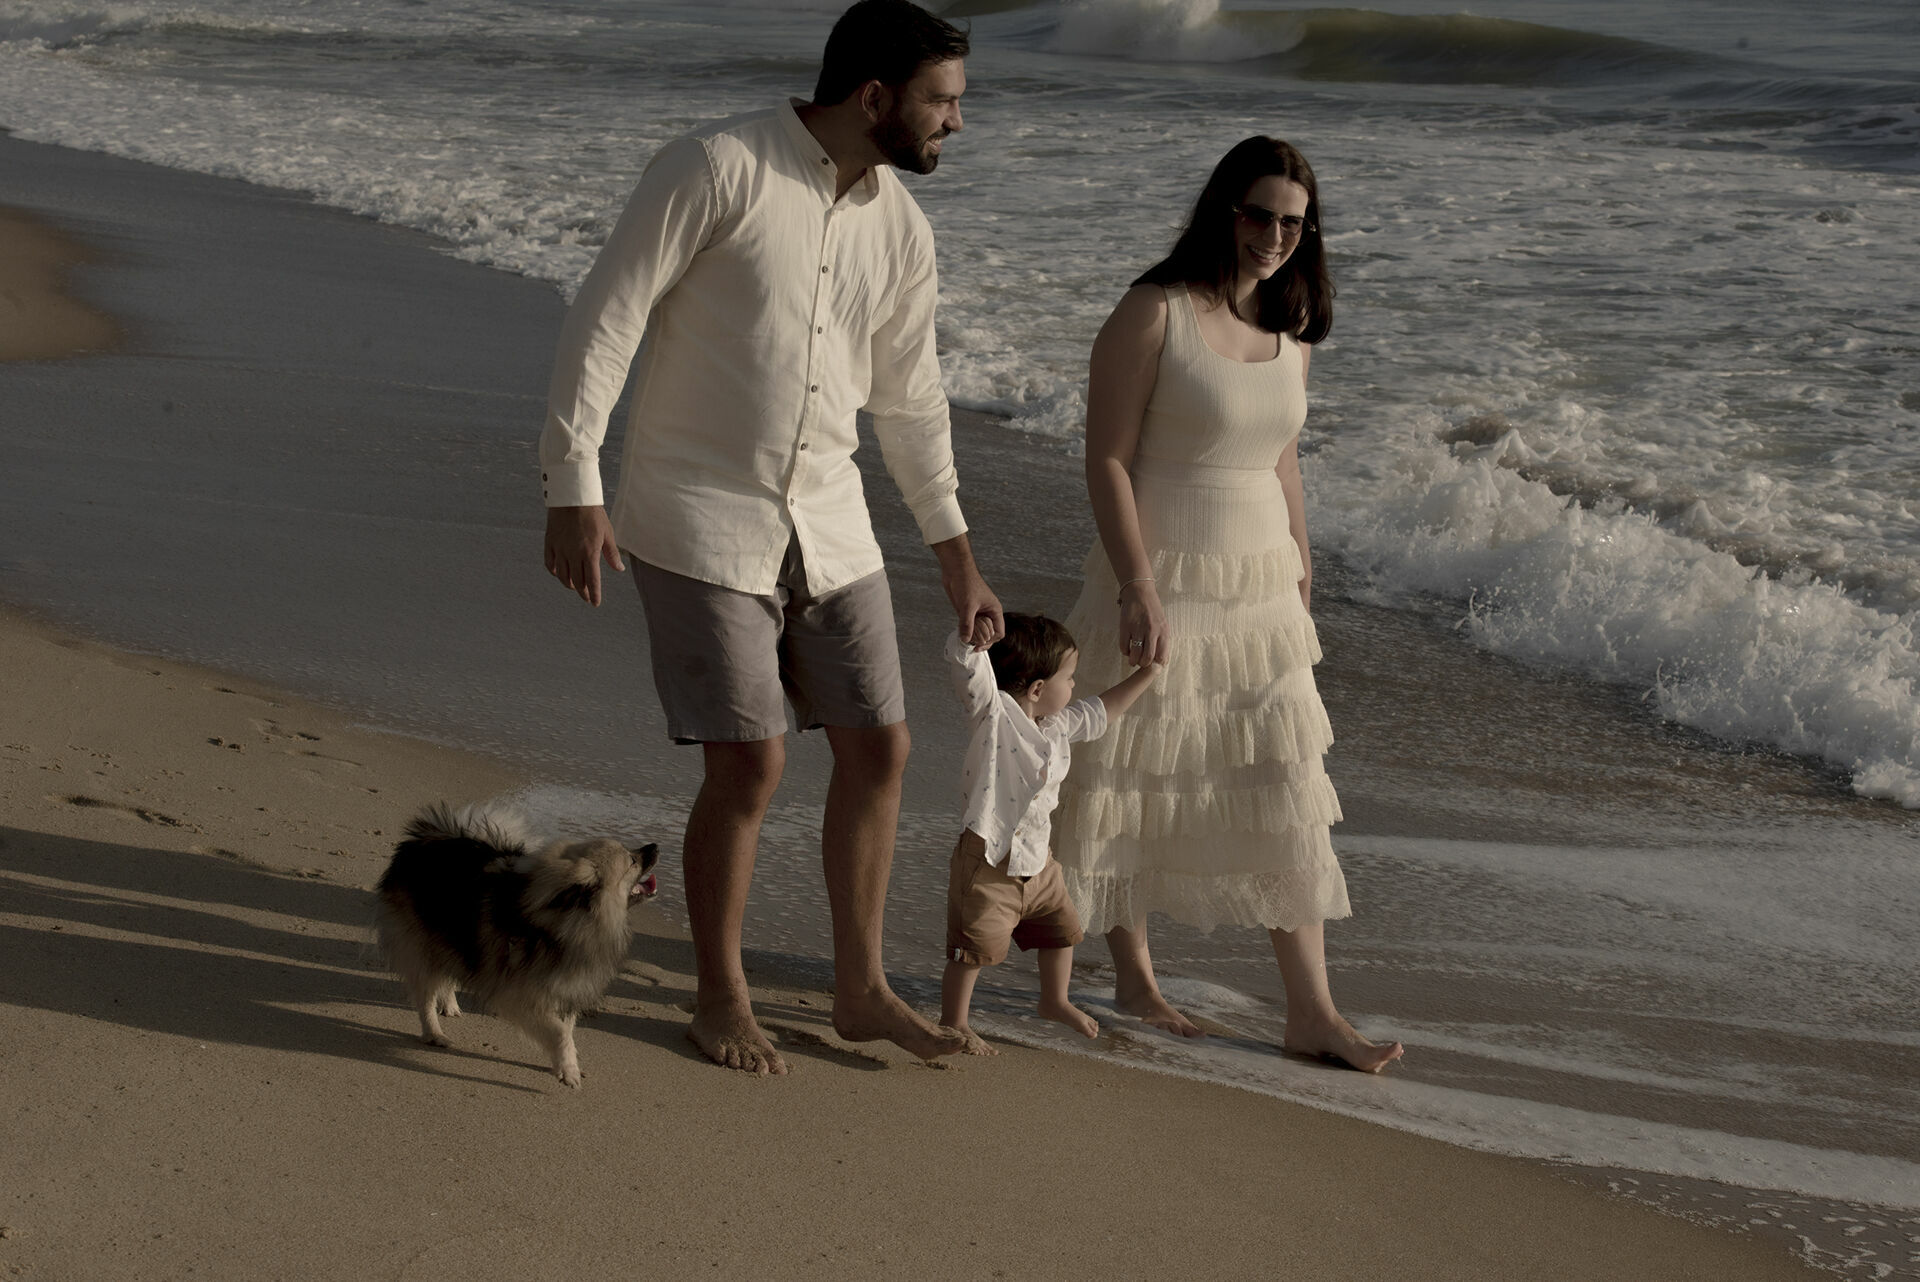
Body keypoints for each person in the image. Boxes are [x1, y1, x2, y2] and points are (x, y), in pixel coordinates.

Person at [537, 0, 1001, 1076]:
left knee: (881, 746)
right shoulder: (714, 167)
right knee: (752, 763)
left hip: (832, 521)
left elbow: (913, 403)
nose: (957, 124)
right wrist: (574, 482)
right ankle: (719, 994)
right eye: (943, 102)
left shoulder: (903, 229)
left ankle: (859, 985)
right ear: (875, 97)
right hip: (697, 514)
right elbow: (605, 317)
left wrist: (958, 557)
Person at [1051, 137, 1403, 1072]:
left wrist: (1302, 562)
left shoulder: (1292, 331)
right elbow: (1109, 460)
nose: (1275, 237)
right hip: (1162, 571)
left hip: (1259, 588)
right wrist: (1137, 585)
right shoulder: (1154, 312)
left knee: (1282, 786)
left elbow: (1283, 458)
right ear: (1224, 210)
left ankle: (1312, 1012)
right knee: (1132, 777)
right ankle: (1133, 976)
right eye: (1259, 215)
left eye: (1293, 222)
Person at [938, 614, 1159, 1054]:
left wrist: (1147, 674)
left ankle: (1054, 1000)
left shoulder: (1057, 726)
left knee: (1063, 932)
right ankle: (954, 1022)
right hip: (988, 862)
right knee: (973, 949)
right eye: (1069, 677)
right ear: (1037, 689)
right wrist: (971, 638)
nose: (1075, 686)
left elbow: (1102, 711)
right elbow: (967, 668)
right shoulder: (993, 715)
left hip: (1040, 863)